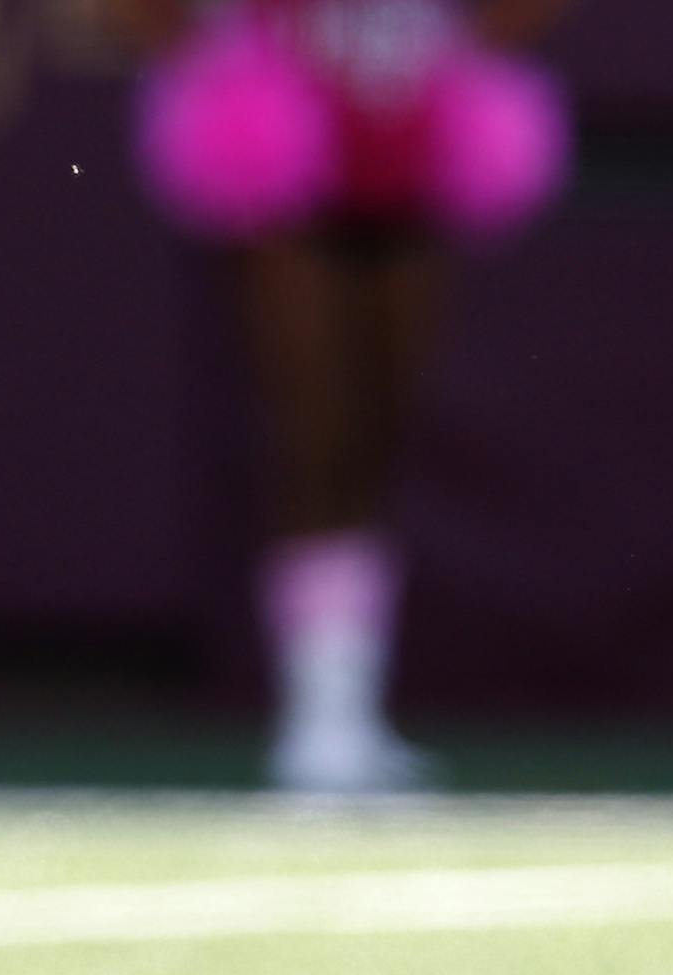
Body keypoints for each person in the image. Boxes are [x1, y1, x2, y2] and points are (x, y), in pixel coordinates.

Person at [113, 0, 569, 791]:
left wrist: (463, 55)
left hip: (414, 147)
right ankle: (314, 724)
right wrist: (219, 69)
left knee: (384, 426)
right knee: (317, 425)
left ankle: (353, 714)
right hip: (286, 155)